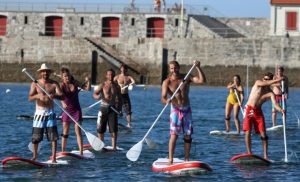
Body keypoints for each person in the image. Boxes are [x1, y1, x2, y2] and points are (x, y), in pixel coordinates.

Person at [161, 60, 206, 165]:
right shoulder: (167, 82)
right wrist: (166, 101)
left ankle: (186, 159)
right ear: (170, 69)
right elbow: (163, 97)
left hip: (186, 109)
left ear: (178, 67)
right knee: (174, 135)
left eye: (175, 67)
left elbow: (201, 80)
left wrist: (198, 67)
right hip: (175, 110)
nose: (174, 70)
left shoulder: (186, 77)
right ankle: (170, 159)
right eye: (172, 68)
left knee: (188, 135)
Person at [243, 72, 285, 159]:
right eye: (264, 79)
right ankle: (249, 153)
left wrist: (281, 110)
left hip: (258, 112)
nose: (264, 80)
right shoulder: (258, 83)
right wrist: (277, 80)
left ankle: (265, 156)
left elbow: (275, 104)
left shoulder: (270, 92)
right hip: (249, 109)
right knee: (248, 132)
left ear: (270, 80)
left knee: (264, 135)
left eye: (267, 79)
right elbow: (265, 83)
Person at [28, 63, 64, 163]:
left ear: (49, 73)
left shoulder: (54, 84)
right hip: (39, 113)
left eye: (47, 72)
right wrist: (37, 96)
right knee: (36, 137)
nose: (45, 73)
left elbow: (62, 96)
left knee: (53, 137)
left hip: (50, 113)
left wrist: (55, 96)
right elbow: (29, 98)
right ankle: (35, 156)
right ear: (40, 73)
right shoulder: (35, 83)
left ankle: (54, 158)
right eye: (43, 72)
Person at [59, 67, 91, 155]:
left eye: (68, 75)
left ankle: (81, 152)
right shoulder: (61, 85)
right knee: (65, 132)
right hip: (66, 111)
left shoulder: (75, 83)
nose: (67, 77)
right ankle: (62, 151)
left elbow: (88, 89)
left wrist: (88, 81)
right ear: (62, 77)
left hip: (76, 110)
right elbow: (59, 95)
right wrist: (62, 102)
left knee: (78, 131)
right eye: (65, 76)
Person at [93, 69, 123, 150]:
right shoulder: (103, 85)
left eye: (112, 74)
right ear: (106, 76)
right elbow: (94, 94)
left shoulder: (117, 86)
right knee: (101, 129)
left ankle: (114, 147)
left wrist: (119, 109)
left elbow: (120, 99)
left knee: (113, 129)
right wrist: (98, 97)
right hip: (103, 108)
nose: (111, 76)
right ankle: (101, 145)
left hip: (113, 109)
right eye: (109, 74)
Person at [114, 64, 135, 128]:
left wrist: (131, 84)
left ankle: (129, 124)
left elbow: (133, 82)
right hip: (118, 95)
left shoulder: (128, 77)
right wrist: (117, 86)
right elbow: (111, 83)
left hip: (125, 95)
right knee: (116, 110)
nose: (123, 70)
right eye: (122, 68)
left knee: (128, 110)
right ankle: (113, 123)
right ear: (120, 69)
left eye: (124, 68)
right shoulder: (117, 77)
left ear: (126, 69)